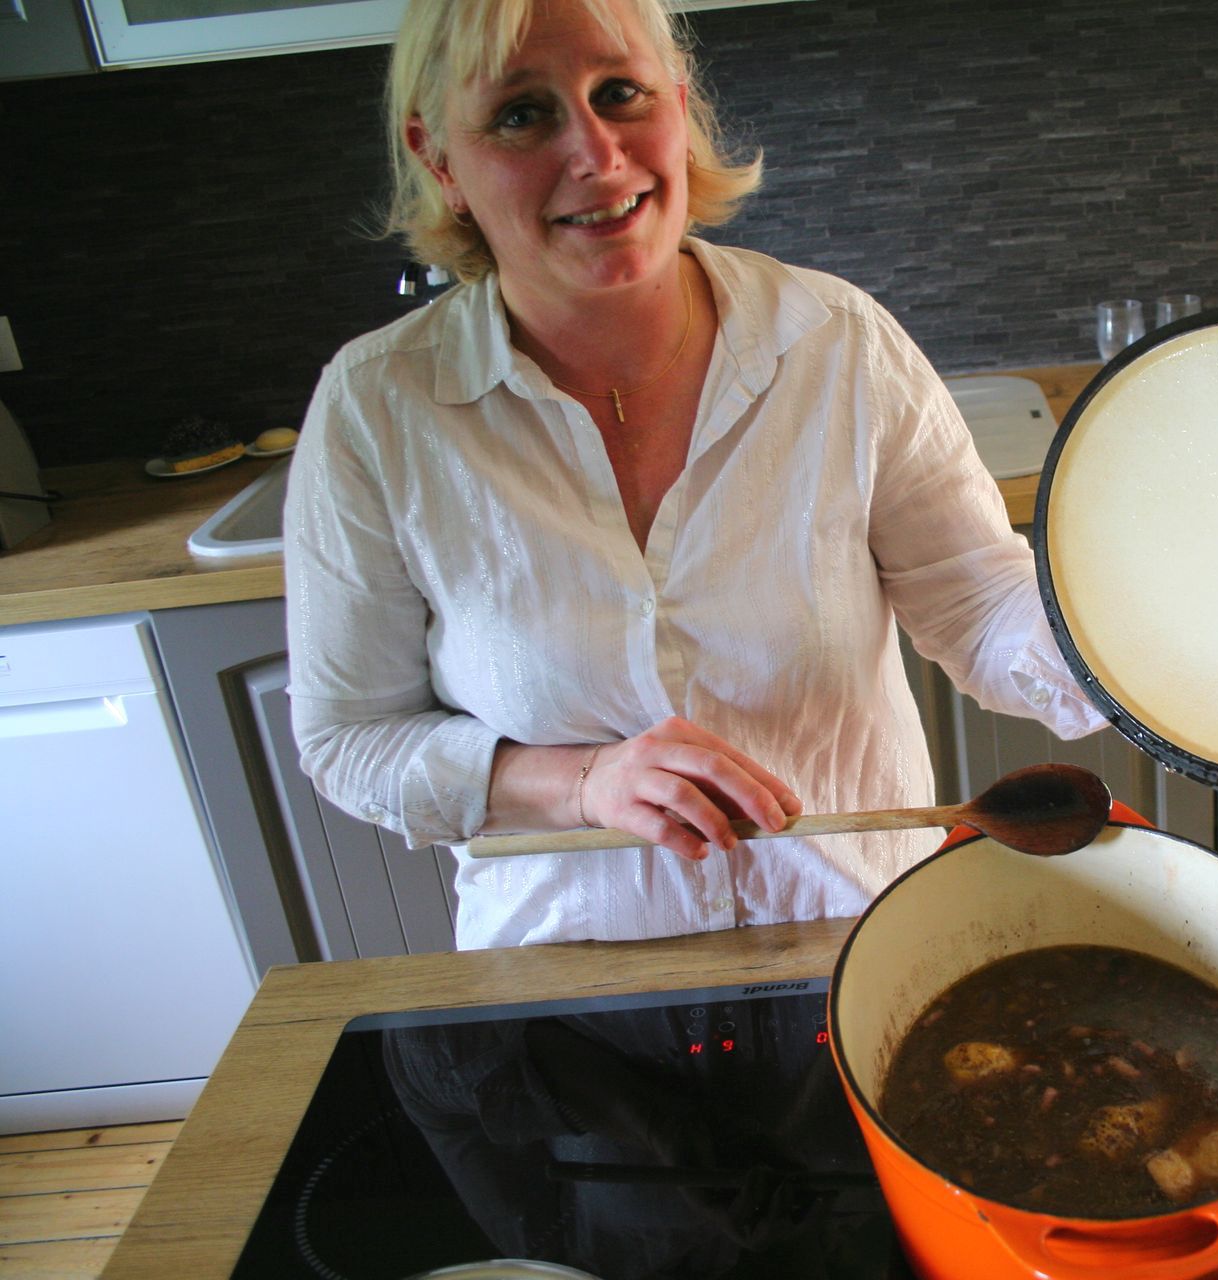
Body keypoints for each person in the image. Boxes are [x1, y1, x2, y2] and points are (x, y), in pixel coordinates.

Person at [284, 0, 1104, 950]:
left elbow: (977, 603)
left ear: (678, 102)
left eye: (619, 93)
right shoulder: (377, 409)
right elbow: (350, 739)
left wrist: (1139, 644)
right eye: (522, 113)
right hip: (570, 982)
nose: (596, 153)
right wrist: (583, 783)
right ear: (439, 160)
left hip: (855, 945)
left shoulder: (837, 343)